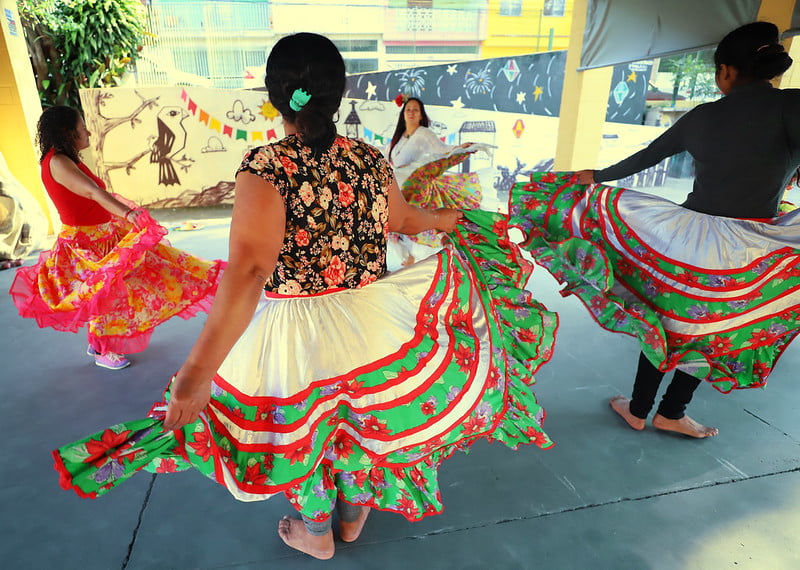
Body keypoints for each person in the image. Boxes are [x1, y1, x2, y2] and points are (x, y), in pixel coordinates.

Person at [52, 33, 556, 561]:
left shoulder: (265, 168)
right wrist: (459, 221)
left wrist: (193, 378)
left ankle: (317, 532)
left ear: (275, 96)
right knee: (359, 417)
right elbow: (404, 221)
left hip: (294, 330)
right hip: (370, 318)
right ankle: (354, 513)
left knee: (305, 434)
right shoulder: (366, 158)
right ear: (338, 95)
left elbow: (248, 272)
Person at [512, 21, 800, 438]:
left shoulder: (704, 115)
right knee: (711, 329)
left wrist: (595, 176)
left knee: (664, 323)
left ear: (726, 72)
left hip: (687, 242)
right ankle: (672, 411)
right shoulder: (791, 107)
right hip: (749, 248)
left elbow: (647, 157)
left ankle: (640, 408)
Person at [10, 106, 224, 370]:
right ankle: (102, 350)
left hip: (103, 236)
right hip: (84, 245)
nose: (87, 131)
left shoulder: (67, 158)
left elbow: (90, 199)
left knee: (152, 267)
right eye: (81, 128)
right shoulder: (58, 162)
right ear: (67, 133)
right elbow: (92, 193)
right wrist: (128, 213)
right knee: (105, 293)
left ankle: (214, 280)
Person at [385, 97, 484, 268]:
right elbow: (386, 156)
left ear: (421, 115)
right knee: (393, 222)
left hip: (415, 188)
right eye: (408, 109)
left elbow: (441, 149)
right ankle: (408, 258)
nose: (411, 113)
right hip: (399, 186)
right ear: (403, 114)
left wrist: (459, 148)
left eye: (415, 110)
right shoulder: (400, 136)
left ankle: (423, 262)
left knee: (411, 222)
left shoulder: (424, 133)